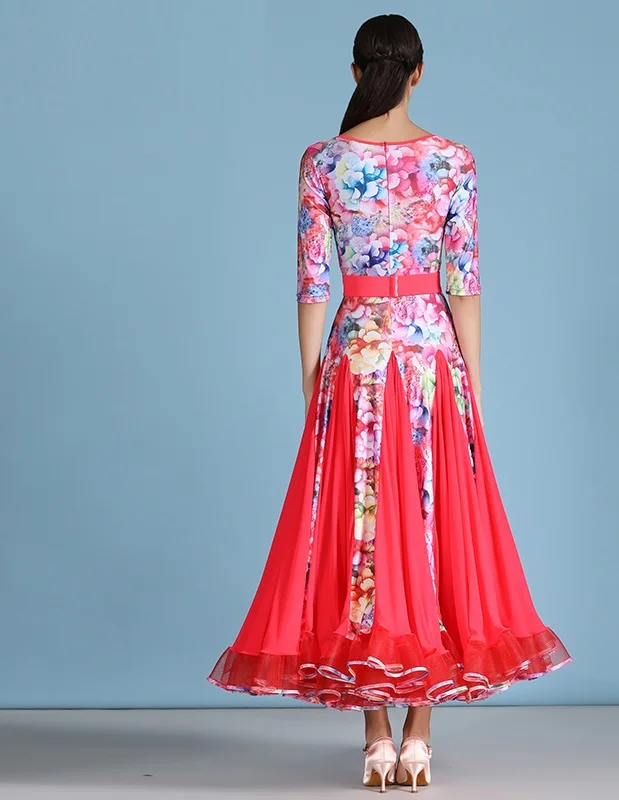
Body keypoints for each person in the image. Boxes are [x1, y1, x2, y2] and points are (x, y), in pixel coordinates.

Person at [207, 13, 571, 793]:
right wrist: (472, 377)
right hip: (431, 359)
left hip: (357, 357)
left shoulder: (323, 162)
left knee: (361, 535)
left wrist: (311, 374)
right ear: (418, 71)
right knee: (431, 529)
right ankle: (419, 738)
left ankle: (375, 736)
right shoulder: (452, 161)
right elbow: (463, 281)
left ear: (354, 73)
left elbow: (313, 282)